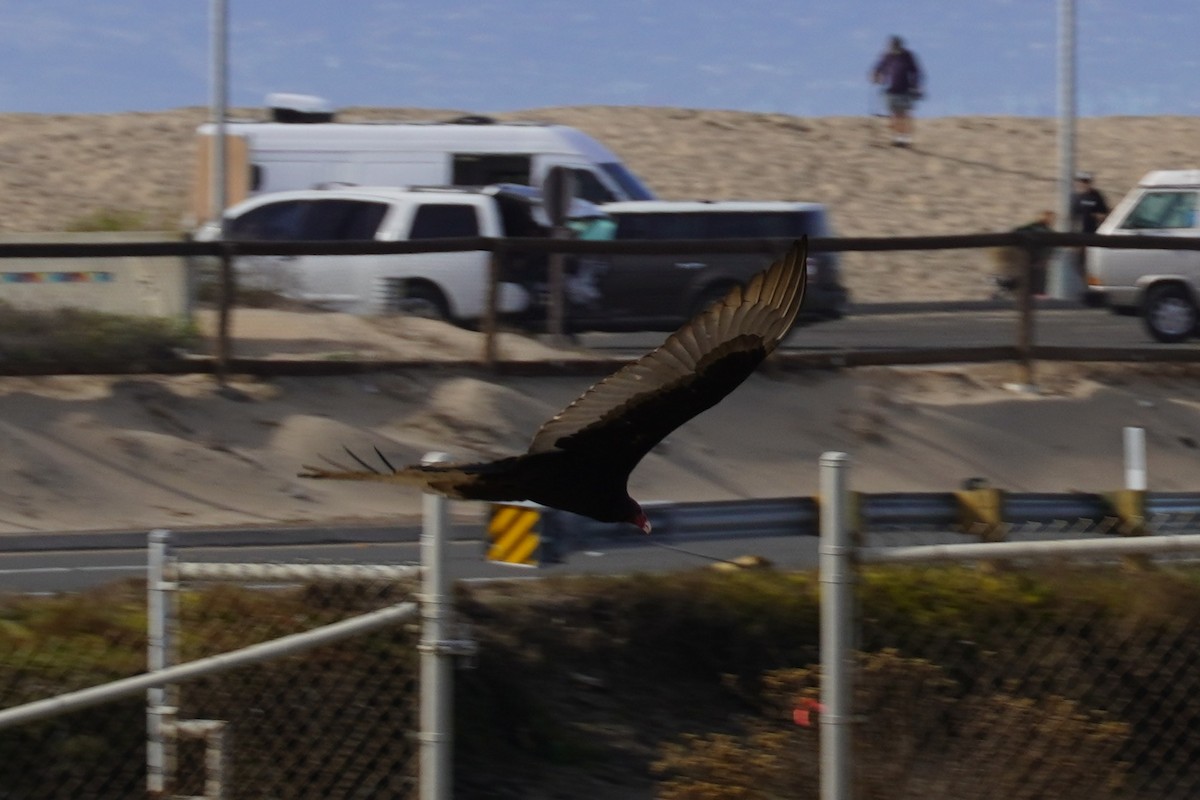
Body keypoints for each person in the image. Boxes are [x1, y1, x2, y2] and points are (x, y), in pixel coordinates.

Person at [870, 35, 924, 147]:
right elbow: (879, 68)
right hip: (891, 90)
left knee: (904, 114)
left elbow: (916, 72)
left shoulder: (908, 56)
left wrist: (916, 86)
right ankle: (897, 137)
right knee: (894, 115)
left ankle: (905, 138)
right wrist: (876, 76)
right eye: (891, 46)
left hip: (905, 89)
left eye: (895, 46)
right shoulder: (887, 56)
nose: (893, 48)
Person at [993, 210, 1056, 298]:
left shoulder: (1037, 227)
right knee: (1028, 278)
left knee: (1026, 278)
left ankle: (1005, 291)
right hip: (1031, 257)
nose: (1052, 221)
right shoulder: (1040, 229)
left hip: (1029, 257)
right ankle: (1006, 291)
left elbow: (1016, 231)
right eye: (1051, 218)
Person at [1070, 172, 1109, 283]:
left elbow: (1104, 213)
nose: (1083, 184)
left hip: (1092, 233)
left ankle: (1091, 283)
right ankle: (1083, 282)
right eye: (1081, 182)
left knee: (1092, 261)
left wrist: (1098, 216)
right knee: (1078, 262)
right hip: (1078, 235)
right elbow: (1071, 216)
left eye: (1086, 182)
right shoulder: (1075, 197)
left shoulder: (1096, 196)